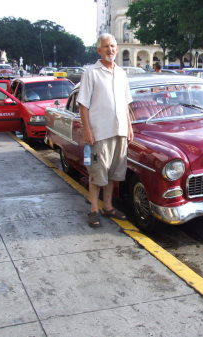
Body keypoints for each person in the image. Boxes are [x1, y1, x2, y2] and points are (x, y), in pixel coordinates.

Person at [77, 33, 134, 227]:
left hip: (120, 132)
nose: (110, 49)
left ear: (116, 49)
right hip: (99, 133)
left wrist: (130, 127)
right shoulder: (91, 72)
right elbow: (83, 105)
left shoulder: (121, 73)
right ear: (98, 50)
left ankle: (108, 207)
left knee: (113, 174)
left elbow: (126, 103)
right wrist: (87, 131)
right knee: (97, 174)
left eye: (113, 46)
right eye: (106, 46)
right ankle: (94, 209)